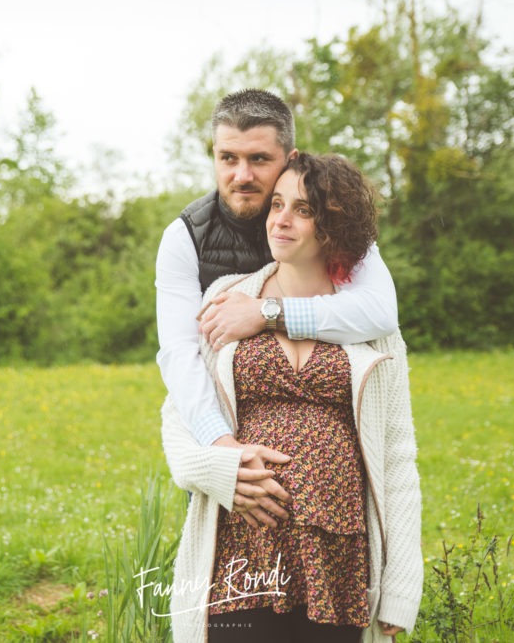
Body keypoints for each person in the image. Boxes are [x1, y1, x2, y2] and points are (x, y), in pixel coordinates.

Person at [161, 153, 422, 641]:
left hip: (340, 554)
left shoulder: (371, 324)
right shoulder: (225, 297)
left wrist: (402, 582)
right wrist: (218, 472)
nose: (279, 219)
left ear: (333, 226)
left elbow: (398, 453)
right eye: (277, 204)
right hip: (241, 546)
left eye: (302, 209)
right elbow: (178, 417)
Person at [155, 89, 400, 524]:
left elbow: (378, 311)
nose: (241, 174)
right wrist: (222, 451)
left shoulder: (334, 222)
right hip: (231, 454)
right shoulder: (185, 238)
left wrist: (267, 313)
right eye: (227, 158)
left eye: (259, 159)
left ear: (290, 156)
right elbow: (179, 355)